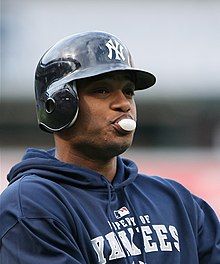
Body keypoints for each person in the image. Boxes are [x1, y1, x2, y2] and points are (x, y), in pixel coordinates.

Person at [0, 31, 219, 264]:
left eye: (128, 91)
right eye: (102, 90)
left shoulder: (175, 200)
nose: (124, 104)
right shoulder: (31, 205)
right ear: (60, 106)